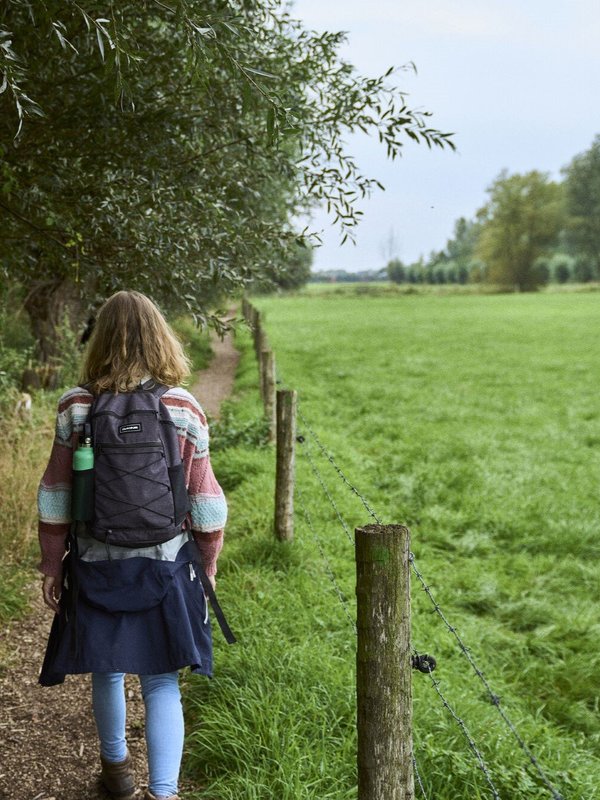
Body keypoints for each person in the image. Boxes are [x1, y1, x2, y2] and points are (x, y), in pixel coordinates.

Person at [37, 290, 228, 800]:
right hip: (164, 563)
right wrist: (206, 568)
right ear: (160, 336)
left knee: (109, 667)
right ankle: (163, 794)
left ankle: (117, 772)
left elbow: (55, 491)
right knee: (162, 681)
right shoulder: (183, 405)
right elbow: (208, 504)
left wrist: (52, 564)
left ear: (99, 340)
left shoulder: (77, 405)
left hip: (97, 562)